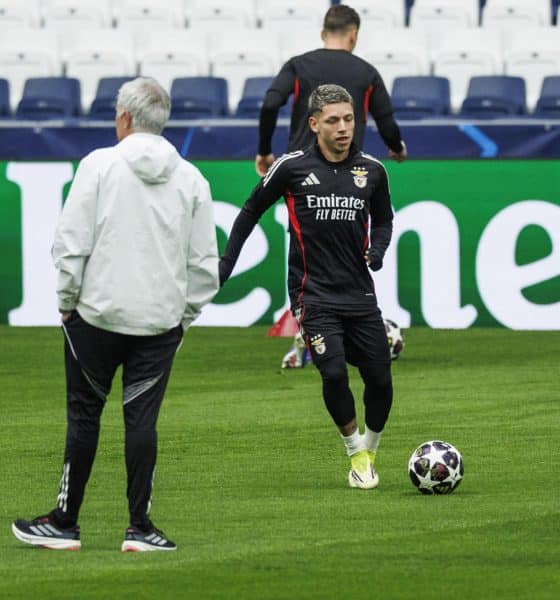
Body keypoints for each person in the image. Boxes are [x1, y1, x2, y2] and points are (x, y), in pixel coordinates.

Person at [11, 77, 219, 552]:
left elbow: (71, 244)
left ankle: (65, 522)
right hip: (158, 323)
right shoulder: (192, 178)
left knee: (84, 418)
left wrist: (66, 302)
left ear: (124, 118)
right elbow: (205, 265)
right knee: (141, 422)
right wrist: (181, 317)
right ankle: (140, 527)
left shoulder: (98, 165)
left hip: (95, 319)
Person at [221, 84, 394, 489]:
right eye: (333, 120)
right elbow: (250, 209)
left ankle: (371, 447)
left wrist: (379, 249)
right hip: (311, 293)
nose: (343, 128)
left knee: (381, 380)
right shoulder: (291, 167)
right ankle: (356, 454)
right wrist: (227, 262)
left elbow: (384, 219)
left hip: (359, 293)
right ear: (314, 124)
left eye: (349, 119)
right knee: (333, 373)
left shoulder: (372, 170)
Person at [255, 3, 407, 177]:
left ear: (322, 34)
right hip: (347, 173)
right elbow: (386, 123)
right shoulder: (367, 73)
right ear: (354, 35)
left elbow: (270, 104)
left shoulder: (297, 66)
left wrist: (264, 150)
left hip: (300, 173)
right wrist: (397, 148)